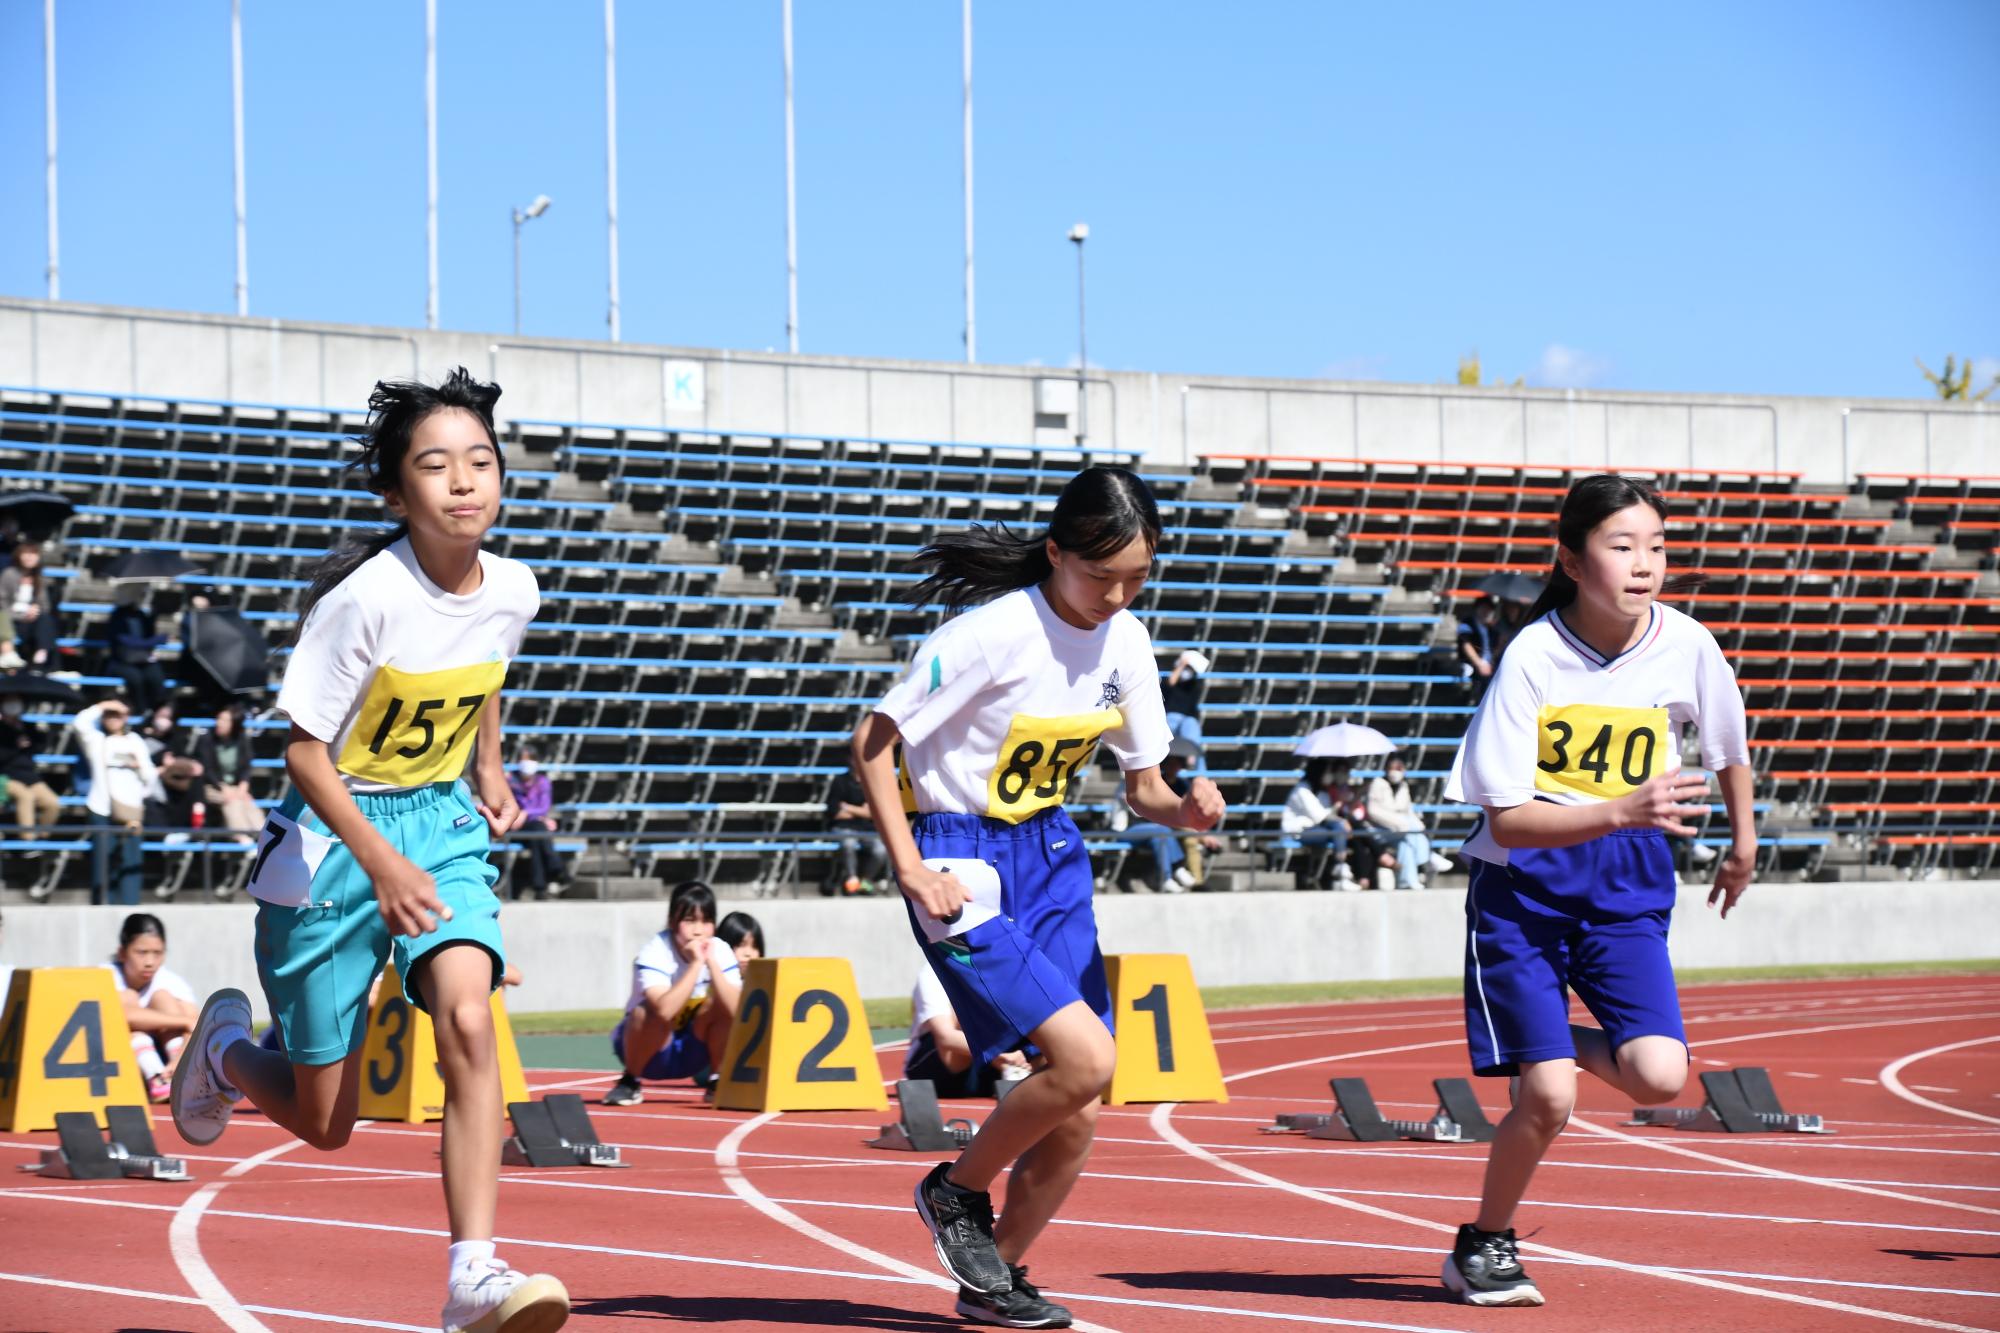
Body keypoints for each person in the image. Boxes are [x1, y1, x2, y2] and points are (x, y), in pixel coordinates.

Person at [168, 367, 569, 1333]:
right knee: (327, 1122)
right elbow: (304, 751)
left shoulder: (515, 586)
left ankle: (472, 1275)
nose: (465, 480)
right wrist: (382, 866)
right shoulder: (362, 600)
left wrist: (492, 767)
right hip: (332, 841)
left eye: (480, 461)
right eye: (436, 466)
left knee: (470, 1021)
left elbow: (484, 673)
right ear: (397, 493)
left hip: (440, 823)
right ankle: (224, 1051)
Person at [851, 465, 1226, 1329]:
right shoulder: (989, 635)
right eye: (1101, 575)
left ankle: (996, 1278)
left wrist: (1189, 808)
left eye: (1138, 575)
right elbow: (872, 741)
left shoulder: (1128, 643)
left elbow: (1146, 791)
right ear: (1056, 553)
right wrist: (908, 867)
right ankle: (955, 1190)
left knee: (1079, 1112)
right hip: (959, 859)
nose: (1118, 594)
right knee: (1089, 1059)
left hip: (1051, 852)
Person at [1439, 474, 1754, 1307]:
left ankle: (1537, 1036)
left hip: (1627, 887)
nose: (1644, 563)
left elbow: (1728, 746)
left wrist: (1744, 843)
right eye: (1623, 547)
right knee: (1547, 1097)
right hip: (1525, 894)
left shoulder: (1687, 643)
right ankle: (1484, 1242)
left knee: (1659, 1077)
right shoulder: (1533, 657)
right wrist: (1621, 806)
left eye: (1656, 546)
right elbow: (1506, 821)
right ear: (1573, 562)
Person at [603, 881, 742, 1106]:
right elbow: (664, 1011)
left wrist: (712, 964)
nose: (698, 930)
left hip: (693, 1052)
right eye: (689, 920)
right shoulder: (654, 952)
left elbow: (737, 1010)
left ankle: (717, 1082)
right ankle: (630, 1082)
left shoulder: (720, 949)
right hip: (649, 1052)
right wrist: (697, 964)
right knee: (646, 1011)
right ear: (672, 922)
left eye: (706, 921)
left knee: (721, 1004)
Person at [906, 956, 1031, 1099]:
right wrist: (1001, 1054)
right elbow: (946, 1037)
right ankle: (1014, 1069)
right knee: (967, 1006)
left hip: (987, 1064)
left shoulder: (1000, 963)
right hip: (938, 1071)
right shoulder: (932, 973)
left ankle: (1019, 1071)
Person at [105, 913, 198, 1102]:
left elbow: (196, 1026)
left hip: (170, 1059)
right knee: (127, 998)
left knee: (162, 997)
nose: (150, 962)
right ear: (122, 953)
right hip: (117, 1060)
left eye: (157, 953)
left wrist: (178, 1060)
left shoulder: (170, 982)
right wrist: (185, 1022)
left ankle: (179, 1076)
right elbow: (123, 1015)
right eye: (141, 952)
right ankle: (155, 1076)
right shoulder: (106, 976)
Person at [73, 699, 155, 906]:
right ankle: (102, 904)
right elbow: (80, 723)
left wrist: (138, 776)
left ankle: (130, 906)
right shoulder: (97, 740)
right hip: (102, 808)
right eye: (109, 714)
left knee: (131, 861)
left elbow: (150, 774)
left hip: (130, 811)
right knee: (102, 863)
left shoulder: (135, 740)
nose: (113, 718)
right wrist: (103, 705)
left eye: (118, 714)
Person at [1125, 738, 1222, 891]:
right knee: (1169, 832)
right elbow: (1145, 808)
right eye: (1170, 763)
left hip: (1170, 825)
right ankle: (1177, 870)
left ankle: (1193, 880)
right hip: (1141, 825)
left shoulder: (1182, 784)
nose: (1173, 767)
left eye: (1177, 763)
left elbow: (1183, 810)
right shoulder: (1152, 781)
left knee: (1186, 838)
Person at [1365, 752, 1455, 891]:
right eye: (1392, 768)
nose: (1396, 772)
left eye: (1399, 768)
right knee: (1409, 828)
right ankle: (1429, 857)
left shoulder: (1403, 786)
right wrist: (1400, 823)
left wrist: (1418, 826)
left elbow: (1408, 810)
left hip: (1401, 832)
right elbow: (1374, 811)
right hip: (1380, 831)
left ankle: (1407, 882)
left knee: (1405, 844)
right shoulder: (1378, 783)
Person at [1279, 756, 1356, 889]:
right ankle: (1340, 870)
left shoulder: (1322, 792)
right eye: (1327, 772)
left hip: (1318, 829)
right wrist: (1339, 807)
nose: (1329, 775)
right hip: (1298, 831)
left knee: (1339, 829)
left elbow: (1329, 817)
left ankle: (1340, 870)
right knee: (1339, 828)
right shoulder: (1302, 790)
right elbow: (1321, 817)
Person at [1, 691, 60, 857]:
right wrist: (14, 744)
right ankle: (28, 842)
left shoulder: (27, 726)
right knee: (25, 796)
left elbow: (39, 747)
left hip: (28, 775)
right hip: (5, 776)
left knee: (52, 803)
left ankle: (42, 838)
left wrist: (41, 734)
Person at [195, 704, 263, 844]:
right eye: (219, 718)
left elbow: (246, 767)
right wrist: (223, 788)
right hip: (211, 786)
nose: (219, 723)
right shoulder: (207, 739)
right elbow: (207, 770)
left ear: (234, 724)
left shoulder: (242, 739)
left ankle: (261, 833)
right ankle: (241, 836)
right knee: (232, 801)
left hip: (234, 786)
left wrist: (243, 786)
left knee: (245, 800)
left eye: (225, 720)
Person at [506, 747, 567, 899]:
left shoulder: (542, 782)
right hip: (516, 827)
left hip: (533, 826)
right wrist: (536, 816)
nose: (527, 763)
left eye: (530, 759)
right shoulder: (510, 781)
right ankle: (557, 868)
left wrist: (526, 813)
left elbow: (543, 807)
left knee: (536, 839)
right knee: (539, 830)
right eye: (524, 759)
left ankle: (539, 887)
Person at [825, 758, 889, 895]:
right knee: (848, 843)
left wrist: (847, 807)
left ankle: (866, 881)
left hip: (865, 829)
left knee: (880, 849)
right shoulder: (840, 781)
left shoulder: (871, 783)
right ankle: (852, 880)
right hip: (843, 828)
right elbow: (834, 812)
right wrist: (861, 811)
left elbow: (872, 813)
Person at [104, 586, 169, 712]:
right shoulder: (117, 616)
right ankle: (140, 710)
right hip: (121, 662)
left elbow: (148, 636)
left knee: (156, 677)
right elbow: (128, 641)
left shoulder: (141, 615)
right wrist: (157, 640)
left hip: (142, 660)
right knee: (135, 678)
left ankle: (156, 710)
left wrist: (154, 616)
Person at [0, 540, 60, 671]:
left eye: (33, 554)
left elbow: (45, 605)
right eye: (26, 554)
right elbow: (2, 604)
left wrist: (35, 611)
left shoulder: (39, 578)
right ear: (18, 556)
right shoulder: (9, 574)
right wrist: (22, 615)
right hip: (10, 620)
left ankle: (42, 653)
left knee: (46, 619)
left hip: (32, 622)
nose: (29, 558)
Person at [1160, 649, 1209, 761]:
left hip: (1185, 720)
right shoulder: (1169, 682)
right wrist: (1182, 664)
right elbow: (1170, 683)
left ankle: (1192, 759)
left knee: (1191, 725)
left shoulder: (1194, 686)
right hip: (1169, 718)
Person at [1457, 596, 1500, 700]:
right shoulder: (1467, 623)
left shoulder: (1492, 628)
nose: (1487, 612)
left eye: (1490, 609)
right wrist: (1479, 664)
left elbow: (1495, 649)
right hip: (1471, 664)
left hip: (1489, 666)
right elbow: (1466, 644)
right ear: (1477, 609)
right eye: (1484, 608)